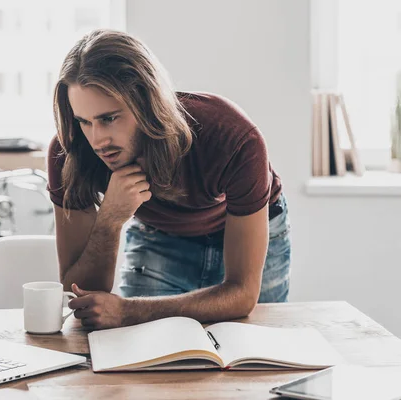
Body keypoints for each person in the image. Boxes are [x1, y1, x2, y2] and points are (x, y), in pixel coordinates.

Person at [46, 29, 291, 330]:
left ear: (146, 103)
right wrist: (109, 220)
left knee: (254, 348)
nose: (97, 140)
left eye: (109, 118)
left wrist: (130, 311)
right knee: (145, 351)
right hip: (160, 232)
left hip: (244, 225)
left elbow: (242, 294)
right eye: (84, 121)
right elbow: (79, 292)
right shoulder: (69, 152)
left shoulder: (234, 137)